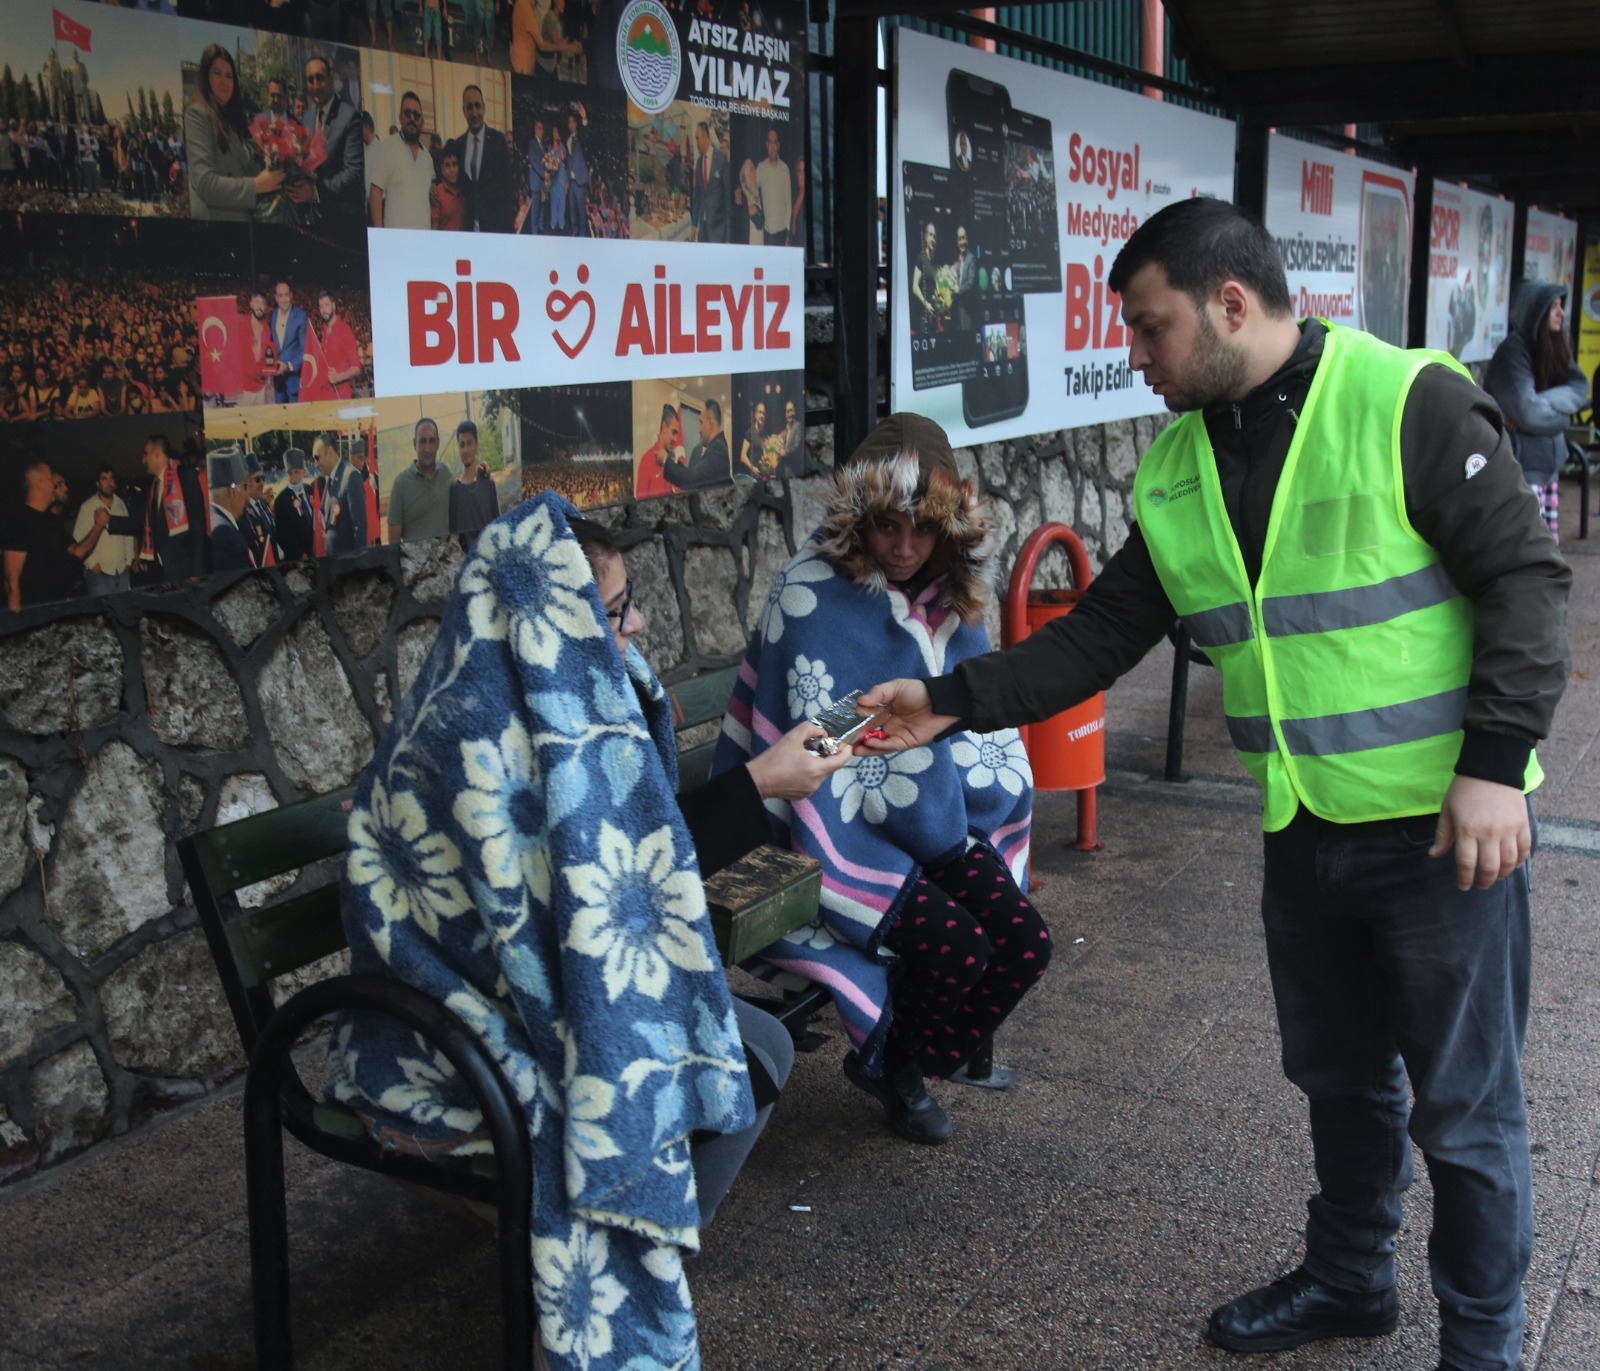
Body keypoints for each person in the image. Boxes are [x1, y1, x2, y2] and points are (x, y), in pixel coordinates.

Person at [857, 197, 1570, 1371]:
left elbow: (1526, 584)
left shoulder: (1406, 400)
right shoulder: (1180, 466)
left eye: (1151, 328)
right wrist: (948, 699)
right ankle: (1351, 1277)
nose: (1137, 357)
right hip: (1305, 826)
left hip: (1446, 832)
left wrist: (1494, 768)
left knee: (1464, 1109)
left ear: (1229, 303)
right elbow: (1101, 634)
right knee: (1339, 1078)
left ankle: (1484, 1349)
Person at [324, 492, 853, 1371]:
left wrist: (755, 777)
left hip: (530, 1000)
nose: (634, 624)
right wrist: (759, 782)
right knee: (703, 1076)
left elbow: (615, 865)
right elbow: (603, 892)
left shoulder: (536, 699)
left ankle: (636, 1239)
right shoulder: (478, 736)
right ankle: (609, 1258)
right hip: (453, 1036)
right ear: (545, 623)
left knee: (752, 1051)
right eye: (613, 611)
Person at [713, 413, 1043, 1144]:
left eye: (922, 529)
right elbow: (811, 735)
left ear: (948, 528)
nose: (903, 546)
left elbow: (973, 715)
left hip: (936, 819)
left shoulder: (955, 597)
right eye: (887, 525)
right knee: (959, 946)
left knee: (1025, 944)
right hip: (834, 830)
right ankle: (899, 1072)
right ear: (859, 517)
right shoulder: (808, 592)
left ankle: (900, 1057)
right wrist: (875, 732)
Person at [1484, 279, 1589, 543]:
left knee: (1547, 547)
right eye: (1553, 307)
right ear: (1534, 311)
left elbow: (1579, 387)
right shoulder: (1513, 352)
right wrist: (1561, 412)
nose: (1561, 313)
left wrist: (1547, 405)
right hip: (1522, 470)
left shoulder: (1553, 347)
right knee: (1528, 547)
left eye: (1561, 306)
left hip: (1547, 469)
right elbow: (1528, 411)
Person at [185, 44, 293, 222]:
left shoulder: (233, 121)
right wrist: (256, 186)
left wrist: (284, 171)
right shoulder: (197, 114)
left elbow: (246, 169)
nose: (224, 81)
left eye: (229, 76)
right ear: (205, 76)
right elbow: (204, 184)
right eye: (217, 73)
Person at [4, 462, 108, 609]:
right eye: (49, 478)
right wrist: (17, 619)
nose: (54, 483)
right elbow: (11, 583)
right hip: (32, 610)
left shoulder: (51, 521)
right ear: (38, 484)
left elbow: (78, 552)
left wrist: (98, 526)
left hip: (54, 606)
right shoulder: (19, 521)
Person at [301, 54, 366, 240]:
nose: (315, 85)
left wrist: (315, 191)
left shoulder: (350, 116)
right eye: (310, 80)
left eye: (320, 78)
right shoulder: (307, 118)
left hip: (343, 222)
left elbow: (353, 172)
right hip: (314, 219)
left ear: (330, 79)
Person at [139, 434, 207, 584]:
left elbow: (199, 528)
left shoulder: (185, 476)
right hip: (162, 573)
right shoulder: (153, 487)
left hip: (186, 572)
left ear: (157, 453)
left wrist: (197, 572)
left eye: (146, 454)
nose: (143, 460)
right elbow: (144, 522)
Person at [445, 85, 514, 233]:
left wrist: (508, 233)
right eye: (469, 107)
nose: (474, 112)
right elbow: (450, 180)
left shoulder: (498, 141)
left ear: (484, 108)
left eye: (477, 106)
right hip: (468, 229)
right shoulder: (458, 145)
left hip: (495, 229)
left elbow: (508, 188)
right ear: (464, 111)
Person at [369, 91, 433, 229]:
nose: (412, 119)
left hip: (423, 238)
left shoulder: (427, 158)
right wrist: (380, 235)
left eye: (416, 115)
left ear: (422, 122)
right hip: (396, 238)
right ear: (400, 117)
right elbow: (375, 193)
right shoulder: (388, 147)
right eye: (407, 113)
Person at [386, 416, 452, 542]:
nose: (427, 449)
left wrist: (481, 472)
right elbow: (393, 543)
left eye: (431, 441)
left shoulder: (446, 474)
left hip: (446, 553)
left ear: (438, 443)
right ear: (414, 444)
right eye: (422, 441)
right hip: (414, 555)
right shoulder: (400, 485)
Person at [74, 466, 135, 596]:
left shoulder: (121, 504)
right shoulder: (87, 507)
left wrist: (129, 560)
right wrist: (91, 563)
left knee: (122, 607)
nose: (109, 482)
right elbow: (77, 538)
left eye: (111, 478)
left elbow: (128, 533)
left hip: (122, 571)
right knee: (103, 608)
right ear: (98, 483)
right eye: (104, 479)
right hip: (100, 574)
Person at [312, 431, 370, 557]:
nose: (315, 464)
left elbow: (360, 528)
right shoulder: (328, 480)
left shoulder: (350, 476)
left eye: (317, 458)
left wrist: (359, 562)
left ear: (330, 452)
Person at [448, 418, 500, 547]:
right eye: (462, 445)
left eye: (469, 443)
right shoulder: (454, 489)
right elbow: (452, 531)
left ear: (476, 445)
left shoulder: (488, 484)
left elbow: (497, 524)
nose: (465, 449)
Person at [662, 397, 729, 490]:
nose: (699, 430)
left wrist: (665, 460)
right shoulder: (717, 446)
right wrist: (675, 462)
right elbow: (694, 475)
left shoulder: (718, 448)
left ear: (710, 423)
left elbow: (693, 480)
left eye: (701, 422)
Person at [207, 448, 254, 573]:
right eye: (245, 486)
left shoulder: (214, 520)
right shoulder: (223, 533)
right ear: (232, 491)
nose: (248, 496)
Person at [273, 448, 318, 563]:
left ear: (304, 471)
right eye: (290, 473)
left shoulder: (311, 491)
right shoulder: (281, 500)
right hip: (297, 559)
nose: (293, 476)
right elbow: (281, 535)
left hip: (316, 552)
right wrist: (299, 554)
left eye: (297, 472)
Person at [315, 291, 362, 399]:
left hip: (340, 395)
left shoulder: (345, 331)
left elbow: (356, 368)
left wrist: (338, 377)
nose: (323, 310)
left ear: (334, 305)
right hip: (325, 393)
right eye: (321, 306)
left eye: (327, 305)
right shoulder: (324, 329)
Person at [690, 119, 729, 244]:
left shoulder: (721, 159)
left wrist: (728, 237)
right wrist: (694, 224)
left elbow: (728, 198)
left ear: (705, 136)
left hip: (718, 231)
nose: (696, 143)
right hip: (703, 231)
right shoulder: (699, 162)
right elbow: (697, 196)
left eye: (697, 138)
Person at [269, 281, 308, 405]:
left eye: (286, 295)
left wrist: (289, 366)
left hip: (295, 378)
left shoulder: (301, 316)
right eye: (280, 295)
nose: (284, 299)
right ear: (276, 298)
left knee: (298, 415)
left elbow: (304, 348)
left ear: (291, 295)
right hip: (278, 380)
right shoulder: (272, 315)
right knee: (281, 414)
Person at [635, 402, 682, 500]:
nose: (676, 439)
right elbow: (640, 504)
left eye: (677, 434)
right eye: (674, 432)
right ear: (664, 427)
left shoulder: (672, 461)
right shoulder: (647, 459)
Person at [755, 126, 791, 247]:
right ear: (766, 145)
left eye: (775, 142)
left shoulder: (785, 169)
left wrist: (788, 233)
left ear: (778, 145)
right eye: (770, 142)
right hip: (767, 232)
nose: (772, 146)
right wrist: (739, 189)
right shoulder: (761, 168)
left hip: (782, 231)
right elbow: (751, 188)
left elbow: (788, 202)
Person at [240, 291, 276, 407]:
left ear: (265, 307)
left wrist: (269, 380)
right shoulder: (240, 322)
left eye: (263, 303)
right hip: (243, 387)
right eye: (257, 302)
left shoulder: (267, 329)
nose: (260, 306)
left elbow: (269, 356)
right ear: (251, 304)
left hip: (262, 387)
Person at [429, 147, 467, 231]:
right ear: (442, 169)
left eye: (454, 164)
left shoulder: (465, 191)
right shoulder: (437, 193)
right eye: (447, 165)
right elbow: (434, 225)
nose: (452, 170)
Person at [737, 400, 767, 479]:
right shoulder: (750, 432)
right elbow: (742, 456)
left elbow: (763, 455)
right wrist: (752, 468)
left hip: (761, 475)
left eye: (764, 413)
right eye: (760, 412)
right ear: (755, 414)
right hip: (752, 476)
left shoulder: (763, 435)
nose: (762, 415)